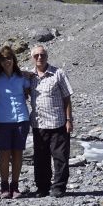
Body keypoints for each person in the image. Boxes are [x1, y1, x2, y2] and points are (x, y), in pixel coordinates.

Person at [29, 44, 74, 197]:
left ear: (47, 56)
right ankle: (42, 187)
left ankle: (59, 187)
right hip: (39, 124)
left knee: (60, 157)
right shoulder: (30, 76)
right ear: (32, 58)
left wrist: (69, 119)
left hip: (58, 122)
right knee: (40, 158)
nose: (40, 58)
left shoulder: (58, 73)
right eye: (36, 56)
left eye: (42, 55)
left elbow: (67, 98)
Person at [0, 45, 31, 198]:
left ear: (13, 59)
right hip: (2, 120)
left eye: (9, 58)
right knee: (4, 154)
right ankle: (4, 186)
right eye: (2, 59)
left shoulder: (22, 78)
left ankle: (15, 186)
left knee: (18, 154)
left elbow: (30, 91)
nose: (6, 61)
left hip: (22, 119)